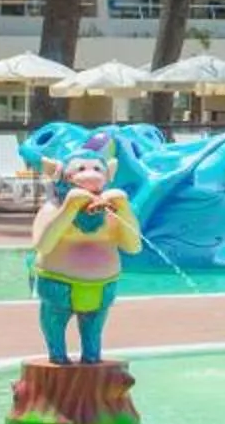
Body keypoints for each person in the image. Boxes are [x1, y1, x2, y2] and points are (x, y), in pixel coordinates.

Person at [29, 151, 142, 363]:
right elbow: (43, 244)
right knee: (55, 327)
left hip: (102, 286)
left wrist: (125, 208)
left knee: (93, 339)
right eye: (80, 169)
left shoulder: (112, 211)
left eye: (97, 169)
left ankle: (91, 363)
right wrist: (69, 209)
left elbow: (133, 246)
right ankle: (57, 358)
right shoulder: (52, 208)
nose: (90, 174)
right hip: (58, 283)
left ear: (107, 175)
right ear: (64, 176)